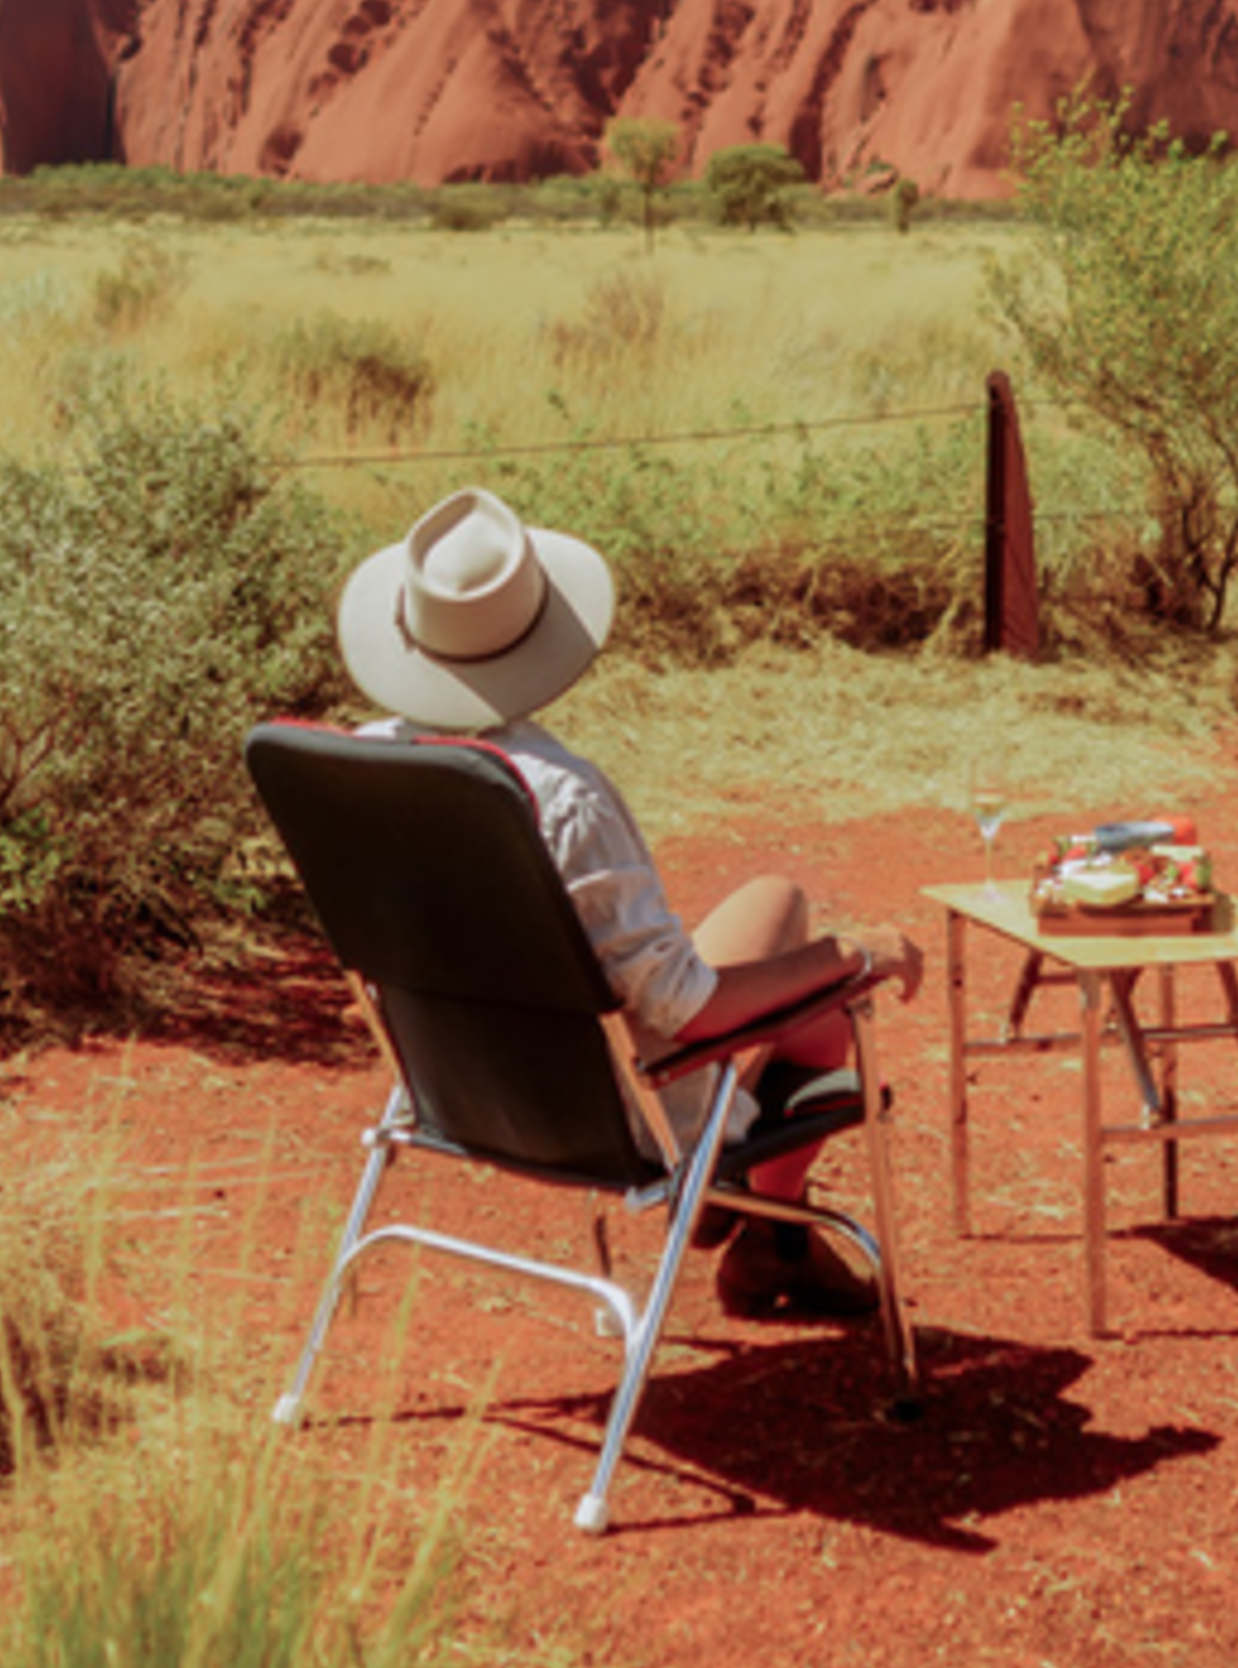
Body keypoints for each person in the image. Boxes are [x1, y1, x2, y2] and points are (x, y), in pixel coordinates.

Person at [335, 485, 924, 1321]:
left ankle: (769, 1243)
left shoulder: (357, 766)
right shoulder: (558, 795)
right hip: (619, 1114)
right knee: (829, 1007)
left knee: (777, 899)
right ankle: (766, 1232)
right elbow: (684, 1009)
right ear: (539, 633)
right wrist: (860, 953)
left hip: (451, 1088)